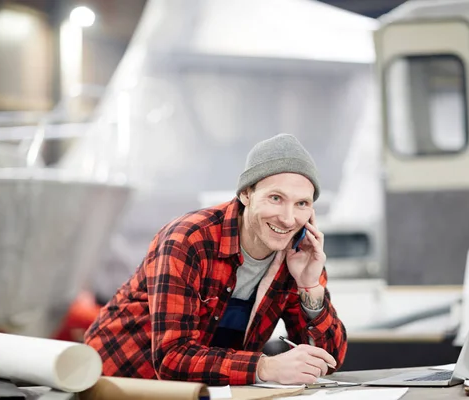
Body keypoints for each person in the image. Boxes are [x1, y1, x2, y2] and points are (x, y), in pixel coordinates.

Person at [84, 133, 347, 386]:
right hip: (116, 382)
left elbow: (329, 361)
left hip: (206, 390)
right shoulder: (189, 240)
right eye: (276, 198)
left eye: (302, 204)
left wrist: (310, 287)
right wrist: (266, 367)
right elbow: (171, 358)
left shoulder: (299, 252)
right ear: (246, 194)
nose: (289, 219)